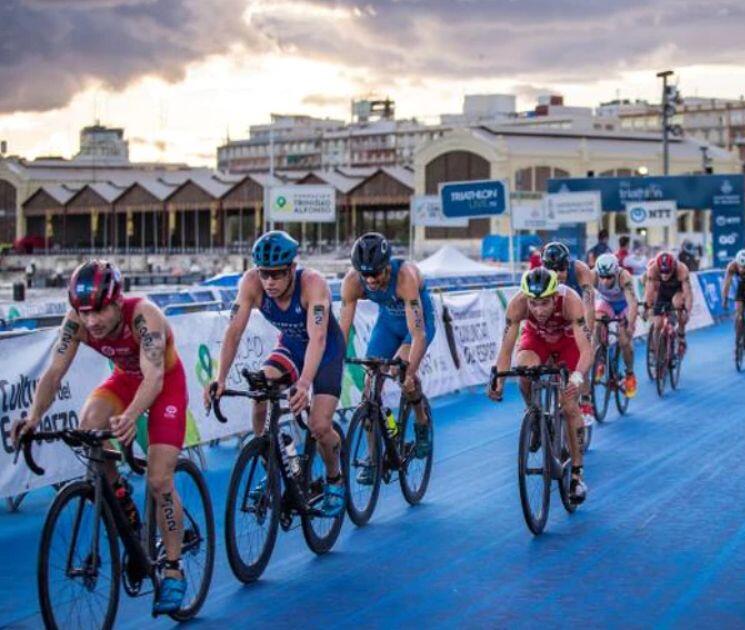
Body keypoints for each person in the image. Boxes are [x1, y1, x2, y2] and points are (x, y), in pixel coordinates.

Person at [14, 261, 190, 614]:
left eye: (99, 311)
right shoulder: (76, 322)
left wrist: (131, 416)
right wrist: (33, 417)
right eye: (85, 312)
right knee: (88, 425)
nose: (91, 321)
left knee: (159, 478)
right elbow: (53, 373)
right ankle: (122, 500)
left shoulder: (144, 317)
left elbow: (153, 379)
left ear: (116, 302)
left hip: (164, 383)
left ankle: (173, 569)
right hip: (125, 379)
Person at [208, 231, 346, 516]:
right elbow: (233, 332)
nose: (269, 282)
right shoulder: (250, 283)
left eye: (276, 275)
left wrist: (305, 382)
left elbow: (318, 339)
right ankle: (275, 462)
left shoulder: (313, 284)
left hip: (326, 351)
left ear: (292, 269)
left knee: (319, 426)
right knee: (261, 389)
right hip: (292, 346)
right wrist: (219, 377)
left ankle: (335, 478)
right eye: (264, 274)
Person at [487, 268, 593, 503]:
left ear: (555, 297)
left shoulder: (571, 302)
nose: (538, 310)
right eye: (533, 304)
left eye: (544, 303)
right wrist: (499, 380)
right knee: (524, 370)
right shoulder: (517, 304)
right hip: (537, 339)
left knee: (569, 404)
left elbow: (587, 349)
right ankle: (534, 414)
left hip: (568, 343)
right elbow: (505, 349)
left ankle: (576, 473)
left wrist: (577, 377)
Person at [339, 233, 436, 483]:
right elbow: (343, 330)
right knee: (369, 391)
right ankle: (373, 456)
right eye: (365, 274)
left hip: (416, 325)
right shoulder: (353, 281)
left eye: (376, 274)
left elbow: (418, 334)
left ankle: (421, 420)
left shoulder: (406, 277)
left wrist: (409, 370)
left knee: (402, 374)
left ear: (387, 266)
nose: (370, 280)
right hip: (387, 324)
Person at [540, 241, 597, 422]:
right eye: (553, 271)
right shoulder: (539, 275)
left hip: (577, 317)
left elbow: (589, 305)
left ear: (568, 265)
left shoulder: (580, 270)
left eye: (562, 270)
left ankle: (586, 400)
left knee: (584, 355)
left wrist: (587, 332)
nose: (558, 276)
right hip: (556, 319)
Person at [592, 253, 640, 398]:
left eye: (609, 277)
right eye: (602, 277)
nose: (605, 281)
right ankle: (600, 360)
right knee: (597, 323)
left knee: (624, 340)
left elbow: (632, 303)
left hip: (624, 305)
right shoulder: (593, 276)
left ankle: (630, 374)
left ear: (616, 272)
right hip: (606, 303)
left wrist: (630, 325)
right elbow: (586, 301)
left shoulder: (624, 277)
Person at [643, 251, 693, 356]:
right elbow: (649, 292)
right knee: (657, 324)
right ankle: (657, 352)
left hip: (677, 291)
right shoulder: (653, 269)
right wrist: (647, 307)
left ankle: (681, 336)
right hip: (663, 292)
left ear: (673, 266)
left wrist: (687, 312)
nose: (665, 275)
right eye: (662, 272)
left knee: (678, 305)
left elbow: (688, 294)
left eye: (668, 272)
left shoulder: (682, 270)